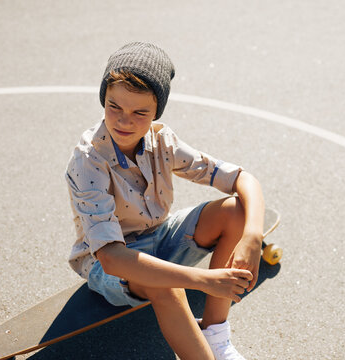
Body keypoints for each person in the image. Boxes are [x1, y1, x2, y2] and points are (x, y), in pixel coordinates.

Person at [65, 42, 264, 360]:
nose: (124, 121)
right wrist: (205, 281)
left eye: (140, 112)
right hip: (107, 263)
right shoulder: (89, 160)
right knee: (165, 284)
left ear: (156, 112)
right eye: (114, 106)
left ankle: (215, 335)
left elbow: (243, 179)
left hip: (157, 236)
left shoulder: (161, 140)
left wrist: (253, 236)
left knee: (236, 210)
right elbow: (113, 259)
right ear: (104, 98)